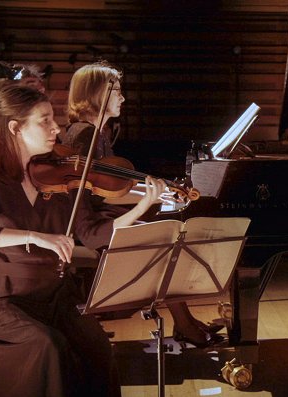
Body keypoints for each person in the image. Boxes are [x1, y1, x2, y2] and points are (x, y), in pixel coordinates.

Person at [0, 83, 167, 397]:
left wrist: (144, 206)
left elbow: (94, 232)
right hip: (1, 300)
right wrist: (33, 236)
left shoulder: (63, 178)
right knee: (47, 348)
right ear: (15, 128)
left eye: (53, 119)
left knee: (97, 348)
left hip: (54, 297)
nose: (56, 128)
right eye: (45, 121)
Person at [63, 61, 223, 347]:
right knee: (165, 242)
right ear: (96, 93)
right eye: (116, 92)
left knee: (168, 238)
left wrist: (158, 194)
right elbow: (91, 201)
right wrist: (148, 197)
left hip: (101, 215)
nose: (123, 98)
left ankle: (184, 321)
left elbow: (108, 189)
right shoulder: (84, 135)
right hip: (88, 226)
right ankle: (184, 323)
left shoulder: (97, 134)